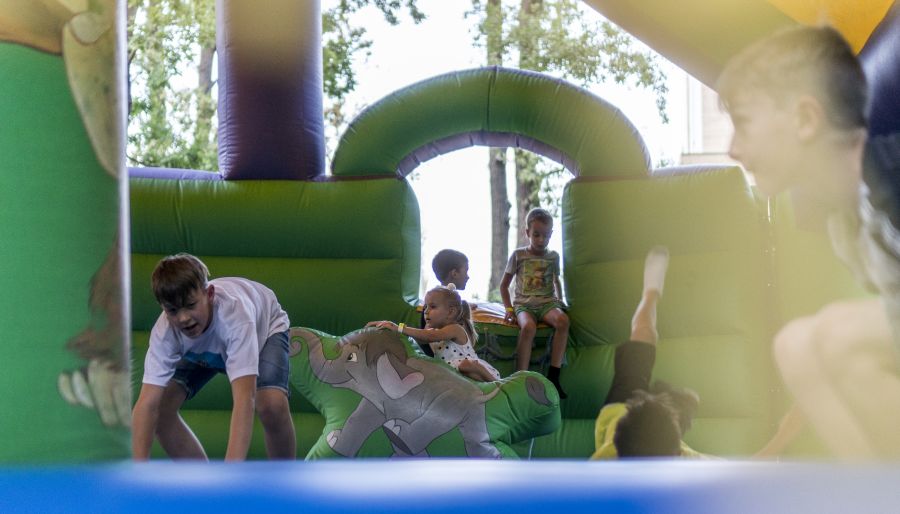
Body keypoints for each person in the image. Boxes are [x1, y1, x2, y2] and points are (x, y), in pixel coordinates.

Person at [718, 25, 900, 459]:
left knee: (838, 337)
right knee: (797, 345)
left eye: (743, 124)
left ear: (805, 118)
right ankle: (878, 493)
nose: (733, 149)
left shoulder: (889, 174)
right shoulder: (845, 220)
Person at [131, 253, 297, 461]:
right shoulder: (166, 332)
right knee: (162, 410)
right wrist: (135, 472)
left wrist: (228, 477)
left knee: (271, 405)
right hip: (205, 349)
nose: (183, 318)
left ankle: (282, 484)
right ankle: (201, 483)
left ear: (209, 294)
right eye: (173, 310)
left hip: (264, 329)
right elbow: (147, 404)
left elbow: (245, 399)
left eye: (191, 305)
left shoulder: (235, 318)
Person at [590, 246, 705, 459]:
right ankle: (672, 400)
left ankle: (650, 294)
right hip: (648, 431)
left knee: (643, 333)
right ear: (678, 452)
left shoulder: (603, 463)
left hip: (620, 410)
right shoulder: (686, 459)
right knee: (692, 400)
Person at [500, 207, 570, 398]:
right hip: (524, 305)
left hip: (547, 303)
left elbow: (556, 281)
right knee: (528, 327)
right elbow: (503, 286)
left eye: (546, 235)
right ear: (527, 233)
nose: (541, 240)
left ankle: (554, 375)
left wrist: (560, 300)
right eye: (536, 235)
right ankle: (520, 378)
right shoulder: (518, 255)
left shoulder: (553, 257)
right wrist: (509, 309)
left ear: (551, 234)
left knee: (563, 321)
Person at [369, 284, 500, 382]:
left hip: (469, 369)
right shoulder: (432, 330)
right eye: (425, 306)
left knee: (465, 365)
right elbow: (421, 338)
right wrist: (390, 329)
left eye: (432, 307)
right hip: (452, 372)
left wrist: (398, 327)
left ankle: (496, 384)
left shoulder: (454, 329)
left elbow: (429, 336)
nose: (426, 311)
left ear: (450, 312)